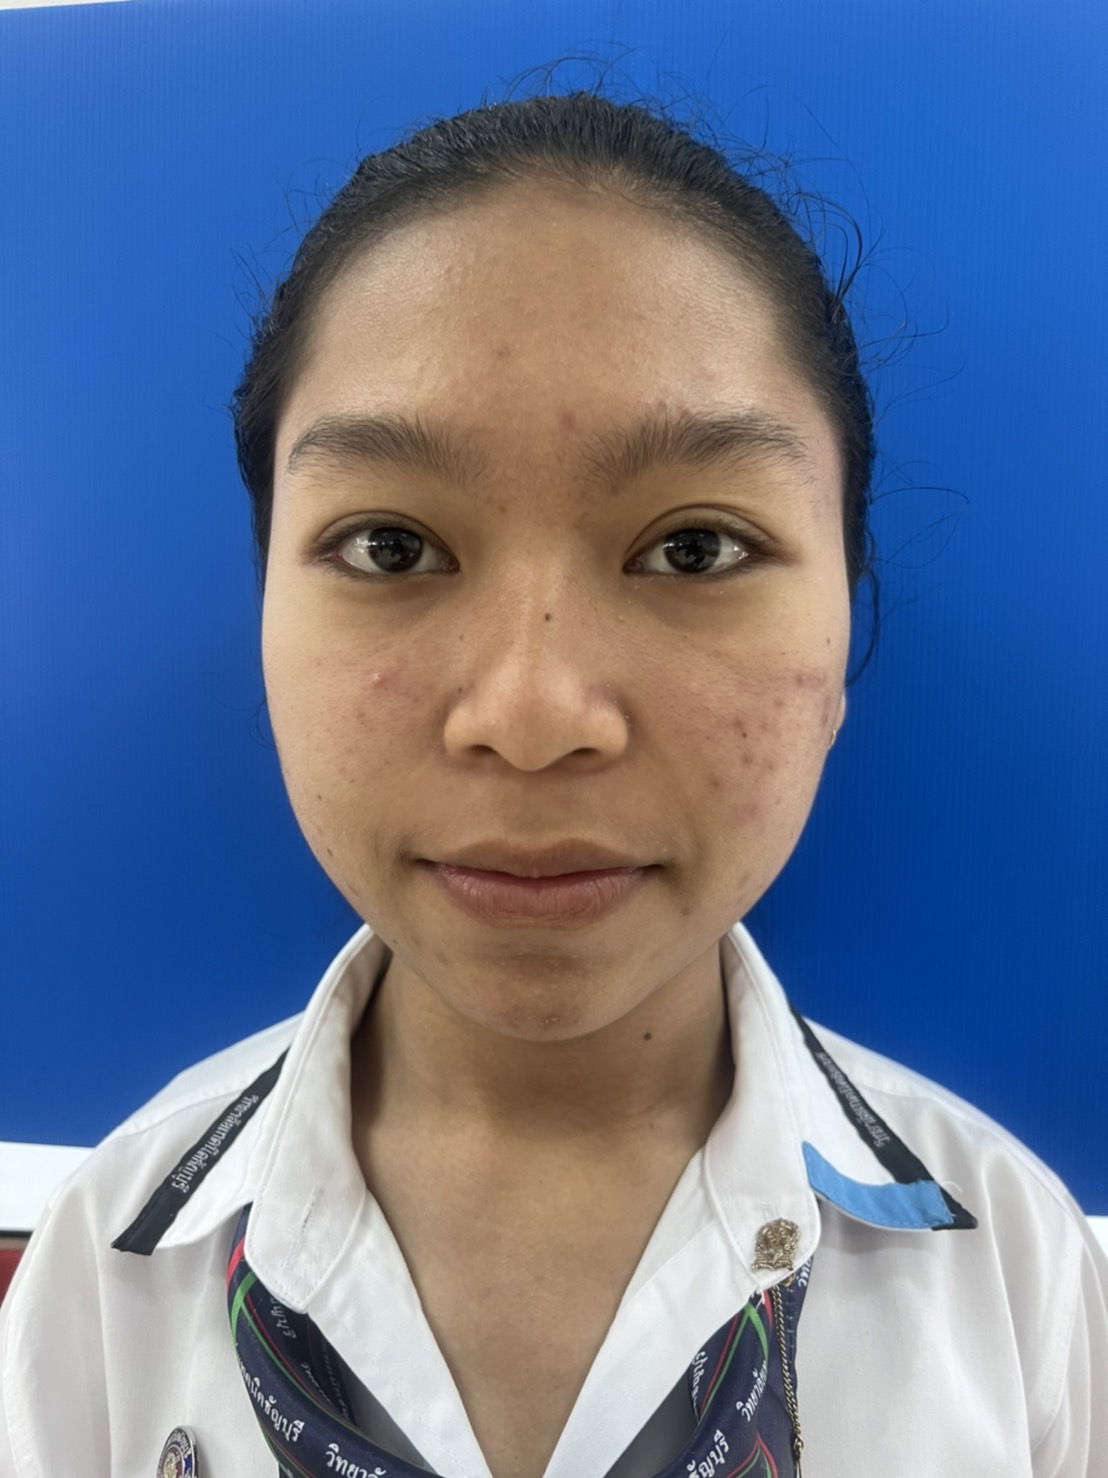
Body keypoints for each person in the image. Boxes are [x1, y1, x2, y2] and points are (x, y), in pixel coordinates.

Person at [1, 91, 1104, 1478]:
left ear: (842, 637)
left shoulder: (1016, 1277)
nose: (531, 719)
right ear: (265, 610)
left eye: (695, 548)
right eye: (392, 545)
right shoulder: (107, 1271)